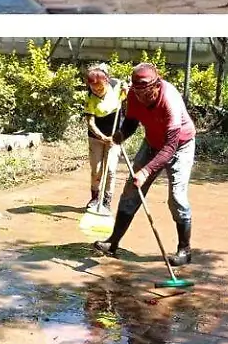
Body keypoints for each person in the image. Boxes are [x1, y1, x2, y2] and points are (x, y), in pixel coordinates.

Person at [93, 64, 197, 266]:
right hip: (151, 142)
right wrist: (122, 134)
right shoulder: (133, 95)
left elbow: (169, 148)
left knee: (177, 197)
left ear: (157, 85)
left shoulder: (170, 101)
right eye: (138, 93)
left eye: (147, 93)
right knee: (131, 190)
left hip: (180, 146)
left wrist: (146, 171)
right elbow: (132, 121)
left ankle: (185, 250)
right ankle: (113, 242)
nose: (142, 98)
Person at [82, 63, 126, 215]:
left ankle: (106, 201)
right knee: (97, 170)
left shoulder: (116, 86)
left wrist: (127, 89)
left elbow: (128, 89)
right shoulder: (89, 97)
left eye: (100, 88)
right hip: (96, 137)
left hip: (115, 135)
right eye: (94, 88)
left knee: (111, 169)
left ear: (106, 82)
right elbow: (90, 122)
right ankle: (95, 198)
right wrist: (102, 137)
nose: (97, 91)